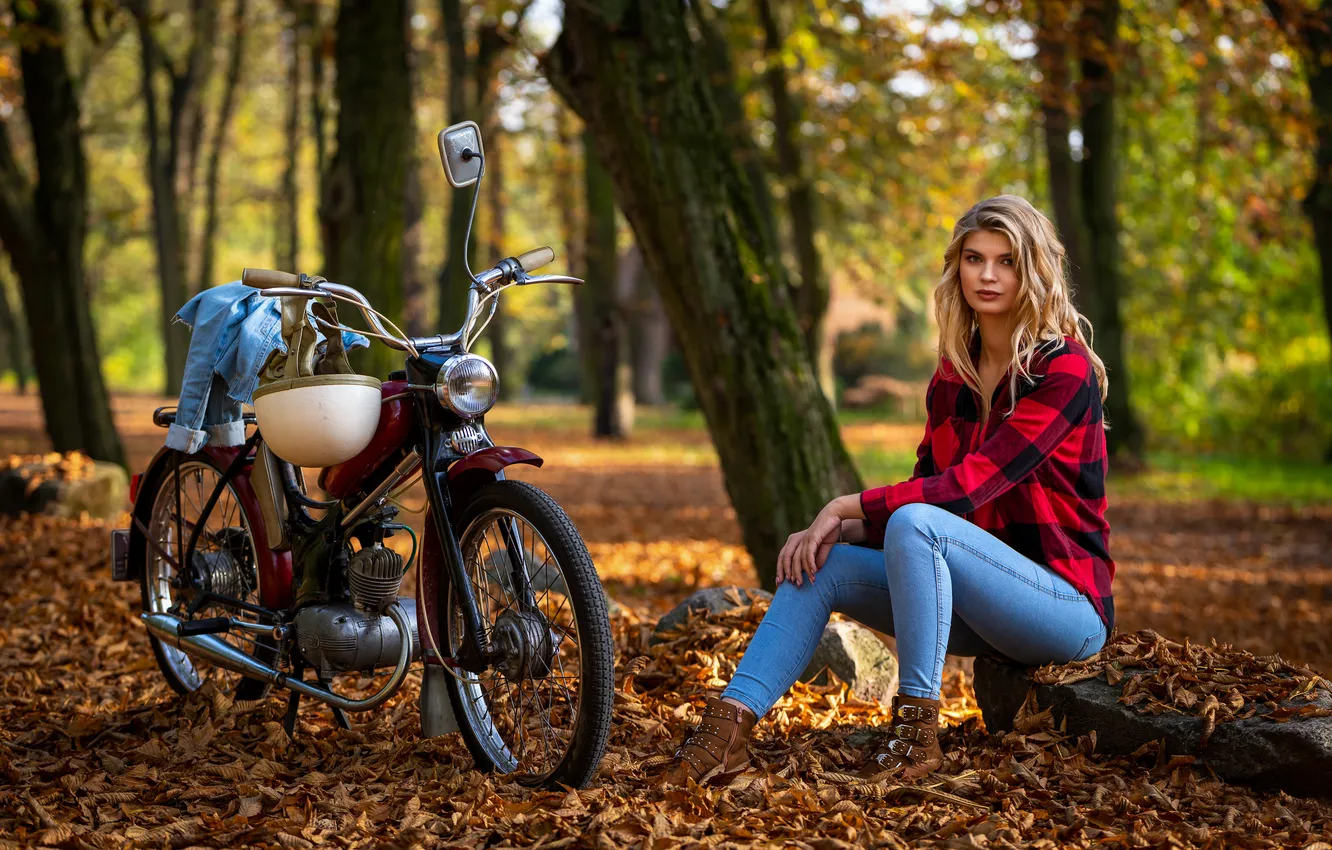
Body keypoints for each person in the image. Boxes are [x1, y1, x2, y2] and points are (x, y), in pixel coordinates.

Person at [663, 195, 1117, 787]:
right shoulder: (954, 373)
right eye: (974, 258)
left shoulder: (1064, 372)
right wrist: (835, 529)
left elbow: (967, 488)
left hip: (1063, 609)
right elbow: (924, 489)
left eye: (1005, 261)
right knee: (821, 564)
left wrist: (845, 503)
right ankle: (724, 734)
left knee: (917, 521)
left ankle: (913, 737)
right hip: (978, 602)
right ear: (956, 269)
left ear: (1033, 271)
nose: (986, 274)